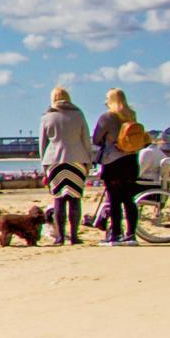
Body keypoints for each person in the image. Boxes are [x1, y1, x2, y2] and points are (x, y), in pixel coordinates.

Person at [39, 86, 94, 246]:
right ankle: (74, 236)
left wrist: (44, 165)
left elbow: (43, 144)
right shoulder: (78, 115)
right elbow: (86, 140)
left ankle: (61, 237)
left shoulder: (47, 117)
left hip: (54, 160)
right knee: (75, 198)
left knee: (59, 199)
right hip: (77, 159)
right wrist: (88, 161)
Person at [92, 88, 145, 247]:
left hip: (113, 162)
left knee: (114, 200)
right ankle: (131, 234)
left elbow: (96, 139)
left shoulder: (107, 117)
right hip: (130, 160)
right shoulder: (131, 115)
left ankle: (115, 234)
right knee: (129, 200)